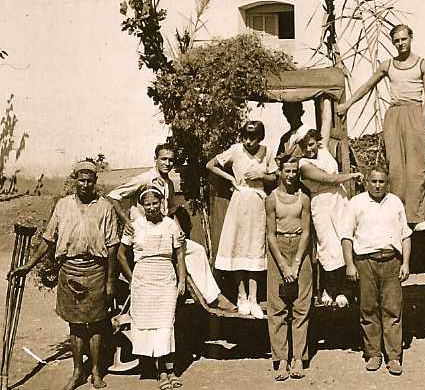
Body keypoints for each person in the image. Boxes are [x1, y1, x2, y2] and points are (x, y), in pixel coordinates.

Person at [8, 161, 118, 390]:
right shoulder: (63, 205)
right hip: (69, 271)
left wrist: (109, 282)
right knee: (76, 325)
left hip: (95, 271)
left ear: (95, 182)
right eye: (81, 180)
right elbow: (49, 239)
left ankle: (96, 371)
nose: (85, 185)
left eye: (90, 180)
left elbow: (113, 247)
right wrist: (27, 266)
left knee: (96, 324)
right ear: (74, 180)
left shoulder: (105, 207)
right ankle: (78, 372)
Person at [107, 144, 236, 312]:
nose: (167, 163)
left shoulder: (168, 184)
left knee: (196, 250)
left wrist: (179, 230)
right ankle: (211, 297)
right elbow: (114, 195)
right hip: (144, 238)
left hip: (164, 232)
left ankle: (213, 297)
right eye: (164, 159)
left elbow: (170, 211)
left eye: (171, 160)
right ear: (156, 160)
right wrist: (126, 221)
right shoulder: (145, 179)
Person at [336, 24, 425, 231]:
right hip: (394, 114)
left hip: (414, 111)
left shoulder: (424, 65)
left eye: (403, 39)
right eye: (396, 41)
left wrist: (421, 120)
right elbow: (367, 86)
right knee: (395, 166)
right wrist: (348, 104)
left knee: (416, 168)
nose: (400, 44)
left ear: (411, 37)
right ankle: (397, 213)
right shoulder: (387, 65)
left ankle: (417, 216)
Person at [340, 166, 412, 376]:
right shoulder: (356, 203)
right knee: (368, 309)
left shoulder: (395, 202)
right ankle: (373, 354)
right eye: (374, 181)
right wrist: (350, 265)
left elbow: (405, 235)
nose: (378, 185)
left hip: (391, 261)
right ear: (366, 182)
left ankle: (394, 357)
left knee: (392, 310)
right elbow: (347, 236)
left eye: (381, 182)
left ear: (387, 182)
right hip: (365, 262)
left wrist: (405, 263)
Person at [118, 185, 187, 389]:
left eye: (155, 203)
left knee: (165, 324)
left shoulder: (170, 225)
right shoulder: (134, 226)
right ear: (141, 206)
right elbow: (121, 255)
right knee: (149, 325)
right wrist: (132, 279)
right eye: (147, 205)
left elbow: (180, 254)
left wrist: (181, 280)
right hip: (143, 279)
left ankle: (171, 369)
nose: (151, 208)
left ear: (162, 204)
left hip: (165, 277)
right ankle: (161, 372)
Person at [207, 121, 278, 318]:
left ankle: (254, 299)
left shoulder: (266, 152)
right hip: (240, 201)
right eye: (245, 137)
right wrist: (230, 178)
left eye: (252, 138)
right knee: (238, 246)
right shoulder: (236, 150)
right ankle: (242, 296)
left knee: (254, 248)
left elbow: (275, 177)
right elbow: (210, 165)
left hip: (257, 202)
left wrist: (261, 174)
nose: (248, 142)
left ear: (260, 137)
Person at [298, 99, 362, 307]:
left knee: (345, 240)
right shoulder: (304, 164)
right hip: (322, 203)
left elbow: (326, 120)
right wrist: (352, 176)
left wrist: (325, 98)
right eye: (305, 146)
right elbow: (328, 179)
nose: (310, 149)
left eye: (312, 144)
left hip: (339, 200)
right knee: (328, 246)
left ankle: (345, 291)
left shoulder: (322, 148)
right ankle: (328, 289)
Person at [265, 156, 312, 381]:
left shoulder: (304, 199)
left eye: (295, 171)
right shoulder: (271, 199)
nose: (291, 175)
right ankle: (281, 359)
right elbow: (270, 234)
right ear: (280, 173)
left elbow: (306, 232)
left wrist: (296, 263)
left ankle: (298, 358)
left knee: (301, 306)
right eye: (287, 171)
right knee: (278, 308)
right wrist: (283, 265)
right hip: (278, 249)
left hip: (300, 249)